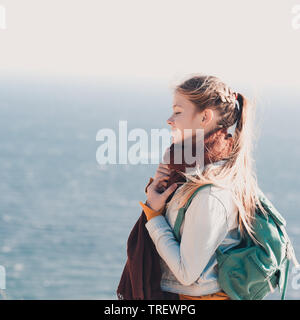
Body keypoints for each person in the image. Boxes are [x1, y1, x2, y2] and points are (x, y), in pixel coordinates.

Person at [138, 74, 263, 300]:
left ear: (205, 117)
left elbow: (186, 273)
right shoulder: (188, 173)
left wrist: (154, 216)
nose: (169, 120)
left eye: (178, 112)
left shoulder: (212, 191)